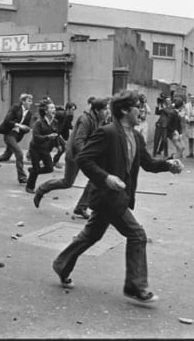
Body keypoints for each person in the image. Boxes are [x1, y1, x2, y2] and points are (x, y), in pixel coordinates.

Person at [52, 90, 184, 304]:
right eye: (137, 107)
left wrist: (168, 165)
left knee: (91, 235)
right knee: (137, 235)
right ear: (124, 110)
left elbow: (148, 164)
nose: (141, 110)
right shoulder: (108, 132)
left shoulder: (137, 136)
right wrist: (105, 178)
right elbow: (84, 159)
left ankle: (61, 263)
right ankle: (135, 286)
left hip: (118, 197)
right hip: (108, 196)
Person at [33, 97, 109, 219]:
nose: (107, 112)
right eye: (105, 109)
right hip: (75, 155)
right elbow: (78, 142)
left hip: (84, 155)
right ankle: (42, 189)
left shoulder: (99, 120)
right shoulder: (85, 120)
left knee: (95, 179)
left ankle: (81, 207)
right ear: (97, 110)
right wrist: (87, 157)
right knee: (67, 183)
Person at [0, 93, 34, 184]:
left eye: (31, 101)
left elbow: (26, 127)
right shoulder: (15, 108)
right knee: (19, 153)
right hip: (9, 134)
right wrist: (19, 125)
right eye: (29, 101)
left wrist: (27, 129)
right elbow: (7, 120)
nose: (31, 103)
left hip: (17, 136)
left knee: (6, 156)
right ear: (23, 102)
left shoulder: (29, 114)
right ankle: (22, 177)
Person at [25, 100, 59, 194]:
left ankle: (32, 171)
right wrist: (48, 137)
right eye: (51, 108)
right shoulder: (39, 122)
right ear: (46, 111)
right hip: (35, 148)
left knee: (49, 168)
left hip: (45, 149)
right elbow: (36, 137)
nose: (54, 110)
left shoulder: (55, 121)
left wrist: (58, 146)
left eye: (54, 108)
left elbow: (56, 134)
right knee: (36, 169)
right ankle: (29, 187)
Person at [52, 102, 77, 168]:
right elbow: (50, 118)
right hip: (52, 133)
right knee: (46, 148)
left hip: (59, 134)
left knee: (63, 147)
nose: (73, 111)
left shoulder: (70, 116)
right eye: (72, 109)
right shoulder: (60, 114)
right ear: (67, 109)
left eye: (74, 110)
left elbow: (68, 126)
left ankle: (54, 161)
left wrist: (75, 127)